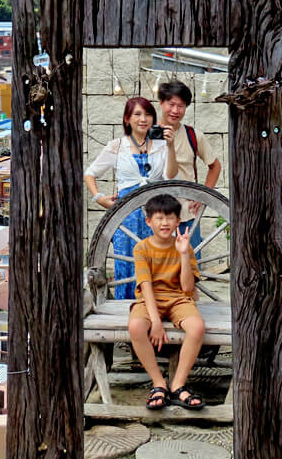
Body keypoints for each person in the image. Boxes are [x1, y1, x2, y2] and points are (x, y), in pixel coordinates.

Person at [84, 97, 177, 299]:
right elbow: (90, 173)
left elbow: (170, 176)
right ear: (127, 119)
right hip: (126, 215)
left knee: (157, 258)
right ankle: (126, 307)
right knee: (126, 260)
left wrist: (171, 147)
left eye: (148, 114)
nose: (143, 119)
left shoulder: (161, 145)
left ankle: (159, 303)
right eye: (137, 114)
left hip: (156, 212)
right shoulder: (117, 146)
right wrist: (98, 197)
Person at [128, 193, 205, 410]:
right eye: (159, 218)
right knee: (135, 326)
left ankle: (178, 384)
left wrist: (182, 254)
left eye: (170, 218)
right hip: (149, 300)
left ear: (178, 221)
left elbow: (188, 288)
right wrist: (155, 321)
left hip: (178, 299)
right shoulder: (141, 248)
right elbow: (146, 286)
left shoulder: (185, 247)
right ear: (149, 221)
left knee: (197, 327)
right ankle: (158, 383)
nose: (165, 223)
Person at [157, 80, 222, 254]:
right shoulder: (147, 133)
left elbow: (215, 166)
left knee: (191, 270)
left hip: (186, 214)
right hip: (155, 214)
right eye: (171, 104)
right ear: (161, 103)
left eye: (181, 106)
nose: (175, 111)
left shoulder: (194, 136)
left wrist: (202, 196)